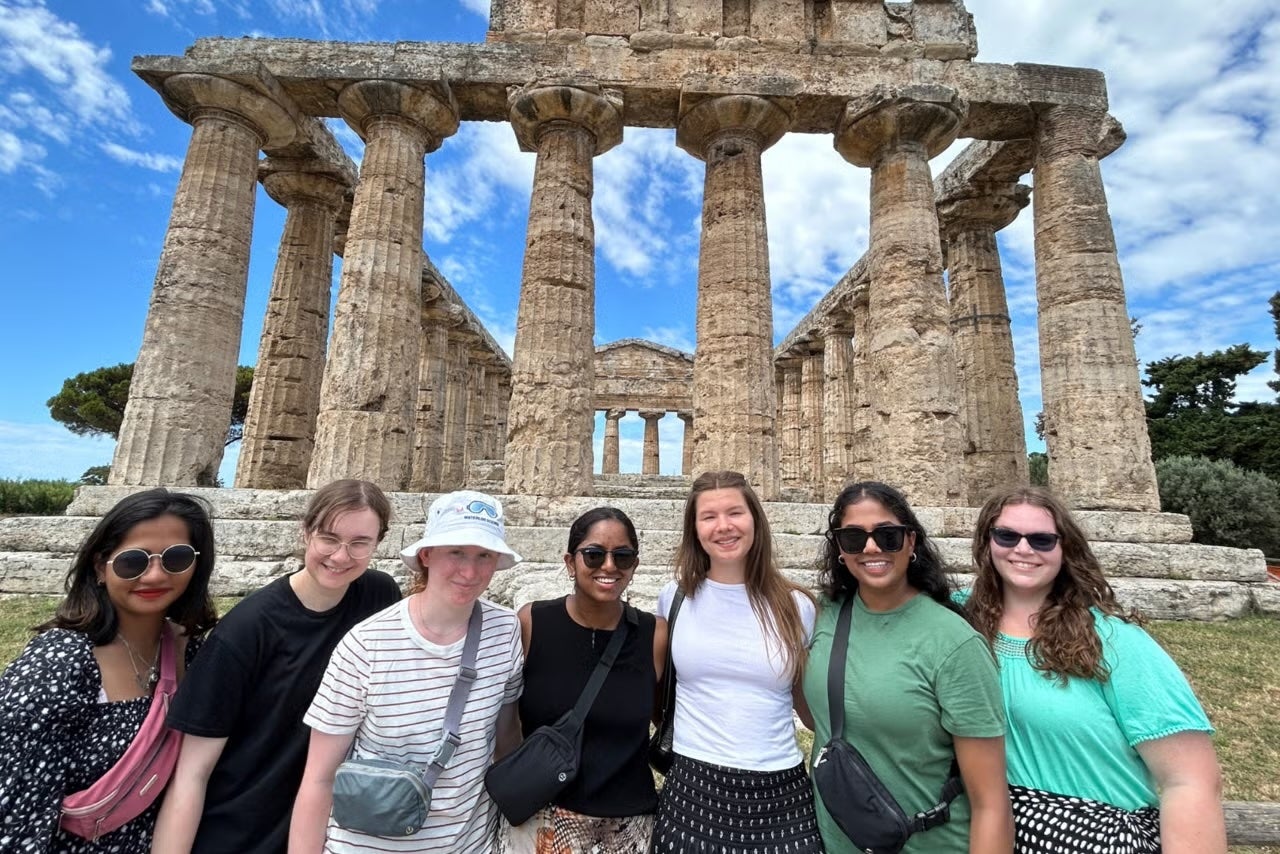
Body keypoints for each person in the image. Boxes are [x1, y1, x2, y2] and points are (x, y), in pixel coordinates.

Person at [965, 485, 1226, 854]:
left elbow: (1191, 781)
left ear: (1065, 548)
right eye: (1006, 535)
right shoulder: (959, 624)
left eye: (1042, 540)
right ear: (986, 541)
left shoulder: (1115, 642)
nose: (1022, 549)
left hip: (1101, 841)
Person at [152, 479, 402, 854]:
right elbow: (192, 773)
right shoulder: (245, 631)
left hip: (322, 830)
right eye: (329, 538)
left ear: (378, 543)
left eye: (359, 543)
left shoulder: (379, 597)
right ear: (305, 532)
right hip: (239, 833)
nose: (340, 556)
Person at [290, 489, 525, 853]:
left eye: (484, 555)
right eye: (456, 552)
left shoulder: (505, 631)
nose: (469, 571)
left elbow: (506, 742)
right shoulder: (365, 645)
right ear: (426, 555)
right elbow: (319, 779)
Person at [0, 488, 218, 853]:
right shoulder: (59, 661)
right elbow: (15, 811)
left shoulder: (192, 652)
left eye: (177, 558)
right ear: (101, 567)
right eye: (133, 561)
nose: (155, 575)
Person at [803, 481, 1013, 854]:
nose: (871, 548)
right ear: (839, 549)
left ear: (911, 541)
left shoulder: (955, 643)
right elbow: (819, 715)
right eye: (853, 538)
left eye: (888, 536)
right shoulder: (826, 616)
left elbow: (991, 803)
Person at [651, 470, 822, 854]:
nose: (723, 526)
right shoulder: (673, 598)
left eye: (735, 513)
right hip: (692, 786)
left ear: (755, 520)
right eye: (709, 516)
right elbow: (655, 690)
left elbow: (809, 706)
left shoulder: (798, 606)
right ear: (694, 529)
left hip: (781, 791)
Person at [499, 507, 666, 853]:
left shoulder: (655, 635)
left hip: (628, 828)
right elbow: (507, 722)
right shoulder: (532, 623)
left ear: (635, 565)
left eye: (623, 556)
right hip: (540, 820)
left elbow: (664, 718)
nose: (609, 566)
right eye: (593, 555)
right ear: (570, 562)